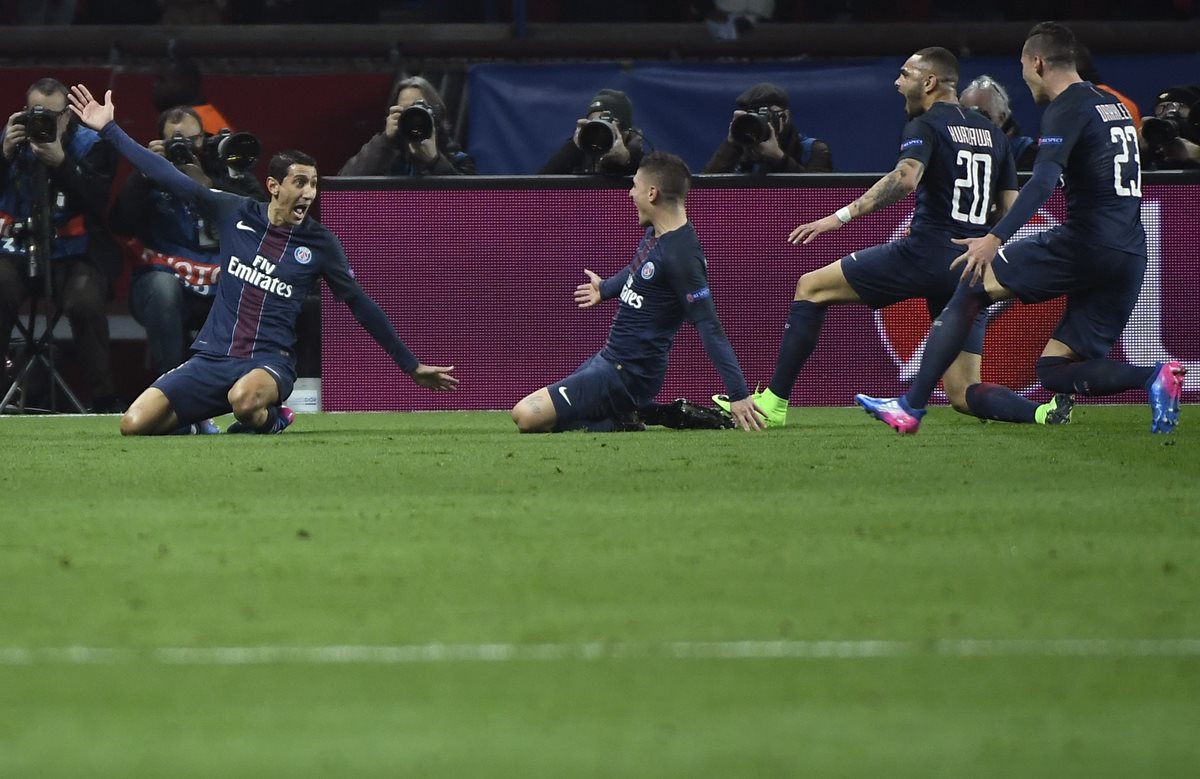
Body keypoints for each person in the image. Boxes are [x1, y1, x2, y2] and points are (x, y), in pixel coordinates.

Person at [67, 83, 459, 436]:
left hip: (269, 364)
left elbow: (361, 304)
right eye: (300, 182)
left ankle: (274, 418)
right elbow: (167, 175)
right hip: (211, 357)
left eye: (314, 183)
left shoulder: (320, 244)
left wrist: (410, 365)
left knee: (245, 400)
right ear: (274, 186)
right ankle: (197, 421)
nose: (309, 193)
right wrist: (109, 129)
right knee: (133, 425)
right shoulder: (233, 212)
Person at [856, 22, 1186, 436]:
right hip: (1131, 252)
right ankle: (1152, 376)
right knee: (1054, 370)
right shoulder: (1112, 104)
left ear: (1038, 62)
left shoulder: (1066, 107)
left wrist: (994, 239)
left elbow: (1043, 183)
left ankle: (909, 405)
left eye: (1024, 68)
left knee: (971, 284)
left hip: (1085, 241)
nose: (1025, 77)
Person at [714, 47, 1070, 429]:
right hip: (968, 266)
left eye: (905, 74)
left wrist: (840, 217)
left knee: (811, 288)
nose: (897, 83)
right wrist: (988, 242)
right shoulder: (994, 135)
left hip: (923, 253)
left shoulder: (926, 124)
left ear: (930, 82)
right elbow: (1011, 207)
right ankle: (1040, 412)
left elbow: (905, 178)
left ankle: (774, 404)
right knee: (963, 392)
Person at [512, 151, 765, 433]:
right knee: (536, 415)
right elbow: (636, 270)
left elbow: (709, 325)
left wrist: (739, 394)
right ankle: (637, 412)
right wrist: (604, 289)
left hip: (630, 374)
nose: (631, 194)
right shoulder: (656, 234)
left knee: (526, 416)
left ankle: (632, 414)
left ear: (652, 193)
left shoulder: (682, 256)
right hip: (610, 359)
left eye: (635, 186)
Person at [109, 106, 267, 385]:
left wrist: (208, 185)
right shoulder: (149, 176)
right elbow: (120, 224)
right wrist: (144, 171)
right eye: (176, 142)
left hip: (222, 286)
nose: (186, 148)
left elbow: (263, 217)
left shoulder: (225, 168)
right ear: (160, 143)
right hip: (165, 286)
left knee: (258, 286)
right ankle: (172, 389)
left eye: (193, 140)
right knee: (162, 288)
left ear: (205, 138)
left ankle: (245, 387)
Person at [0, 77, 123, 412]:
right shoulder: (8, 142)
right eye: (35, 113)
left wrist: (62, 163)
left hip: (75, 253)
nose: (43, 123)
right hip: (15, 252)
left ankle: (103, 401)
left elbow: (99, 202)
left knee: (85, 299)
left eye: (52, 116)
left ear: (68, 116)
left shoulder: (92, 144)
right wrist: (4, 155)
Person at [339, 76, 475, 177]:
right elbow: (343, 187)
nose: (413, 117)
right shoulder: (387, 159)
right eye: (405, 111)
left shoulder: (459, 161)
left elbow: (469, 208)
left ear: (436, 115)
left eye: (419, 109)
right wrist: (385, 141)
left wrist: (435, 162)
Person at [702, 82, 833, 173]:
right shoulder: (739, 148)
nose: (764, 124)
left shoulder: (812, 150)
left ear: (785, 117)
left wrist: (780, 159)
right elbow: (703, 194)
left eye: (768, 116)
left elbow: (818, 199)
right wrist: (731, 145)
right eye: (755, 117)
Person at [539, 89, 645, 177]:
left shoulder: (641, 160)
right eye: (594, 122)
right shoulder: (580, 153)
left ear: (625, 130)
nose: (600, 129)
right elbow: (537, 190)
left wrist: (626, 160)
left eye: (606, 121)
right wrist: (573, 147)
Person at [960, 75, 1038, 170]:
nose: (972, 125)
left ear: (1002, 118)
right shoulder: (950, 150)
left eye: (981, 116)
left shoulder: (1024, 152)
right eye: (964, 116)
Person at [151, 57, 234, 136]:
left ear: (185, 82)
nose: (155, 85)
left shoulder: (202, 121)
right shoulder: (189, 115)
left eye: (162, 80)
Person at [1140, 85, 1200, 170]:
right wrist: (1138, 152)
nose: (1167, 113)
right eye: (1161, 108)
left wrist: (1197, 154)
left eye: (1179, 106)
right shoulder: (1155, 146)